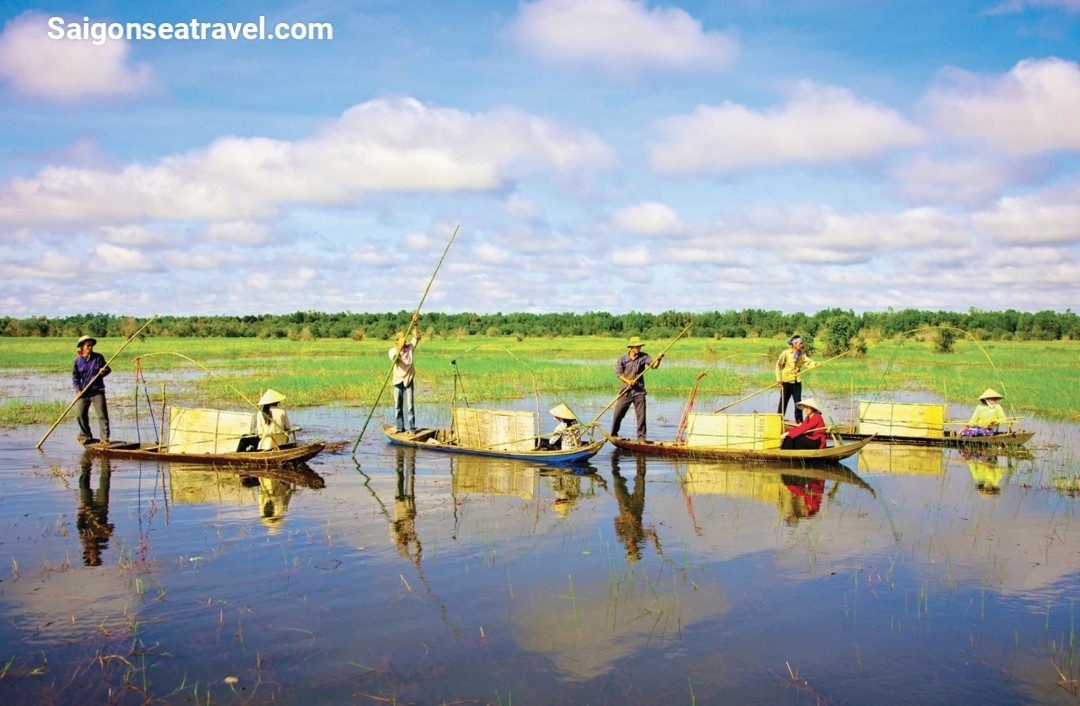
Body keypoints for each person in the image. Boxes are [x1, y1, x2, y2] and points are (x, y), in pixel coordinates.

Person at [610, 336, 664, 442]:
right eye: (637, 346)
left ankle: (641, 438)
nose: (639, 348)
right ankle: (614, 433)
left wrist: (659, 358)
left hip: (639, 392)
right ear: (631, 347)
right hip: (626, 391)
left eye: (639, 346)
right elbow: (619, 374)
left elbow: (654, 366)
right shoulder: (623, 359)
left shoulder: (644, 357)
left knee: (641, 416)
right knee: (618, 413)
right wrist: (628, 381)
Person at [72, 335, 111, 445]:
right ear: (82, 347)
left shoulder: (98, 358)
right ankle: (86, 435)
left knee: (102, 415)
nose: (90, 347)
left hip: (97, 390)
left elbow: (108, 369)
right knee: (80, 414)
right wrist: (78, 390)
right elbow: (75, 377)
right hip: (84, 392)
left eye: (91, 345)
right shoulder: (78, 361)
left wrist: (104, 371)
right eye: (87, 345)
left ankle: (105, 438)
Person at [776, 335, 816, 423]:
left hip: (797, 380)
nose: (802, 345)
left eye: (802, 343)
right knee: (783, 400)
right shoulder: (785, 353)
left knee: (798, 402)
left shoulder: (801, 353)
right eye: (800, 343)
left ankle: (799, 420)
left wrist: (815, 364)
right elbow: (778, 366)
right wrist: (779, 378)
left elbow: (807, 361)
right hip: (786, 380)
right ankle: (779, 419)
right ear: (794, 344)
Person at [389, 327, 421, 433]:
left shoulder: (410, 348)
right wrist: (399, 348)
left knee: (410, 406)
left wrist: (415, 324)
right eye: (401, 340)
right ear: (397, 341)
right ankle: (399, 427)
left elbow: (417, 337)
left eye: (405, 340)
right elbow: (394, 356)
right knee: (398, 405)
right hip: (398, 380)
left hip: (409, 378)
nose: (404, 343)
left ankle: (412, 428)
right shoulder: (393, 350)